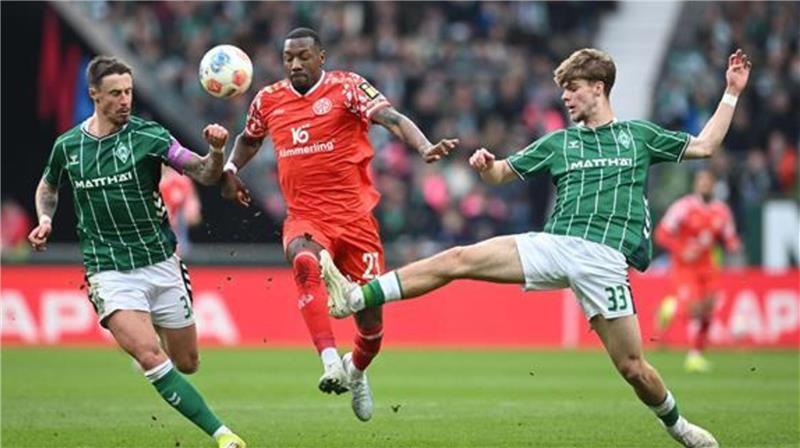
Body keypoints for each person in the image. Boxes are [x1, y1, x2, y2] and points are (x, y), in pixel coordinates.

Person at [324, 48, 751, 447]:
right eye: (562, 89)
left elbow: (706, 146)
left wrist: (731, 91)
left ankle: (679, 426)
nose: (564, 97)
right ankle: (357, 295)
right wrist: (486, 166)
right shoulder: (558, 142)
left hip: (605, 261)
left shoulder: (638, 136)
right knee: (459, 258)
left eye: (573, 88)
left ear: (598, 87)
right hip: (555, 244)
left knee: (633, 369)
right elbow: (501, 175)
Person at [220, 27, 457, 421]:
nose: (295, 63)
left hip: (355, 221)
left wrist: (424, 146)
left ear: (321, 57)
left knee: (372, 329)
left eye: (303, 56)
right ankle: (329, 361)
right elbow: (250, 138)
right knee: (303, 261)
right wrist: (229, 167)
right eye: (288, 58)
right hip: (306, 217)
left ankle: (357, 372)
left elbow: (391, 118)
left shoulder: (347, 88)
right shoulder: (268, 99)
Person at [27, 55, 246, 448]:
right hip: (107, 268)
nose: (125, 100)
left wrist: (215, 152)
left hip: (160, 261)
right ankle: (223, 435)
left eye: (128, 91)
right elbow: (48, 186)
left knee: (188, 363)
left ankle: (154, 335)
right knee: (148, 355)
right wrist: (44, 219)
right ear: (94, 95)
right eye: (115, 94)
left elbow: (202, 173)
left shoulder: (150, 136)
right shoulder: (68, 146)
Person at [655, 169, 741, 373]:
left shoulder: (721, 210)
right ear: (696, 184)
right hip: (684, 268)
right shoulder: (683, 207)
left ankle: (696, 354)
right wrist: (681, 249)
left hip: (708, 267)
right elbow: (661, 234)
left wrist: (733, 246)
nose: (704, 185)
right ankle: (673, 307)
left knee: (708, 310)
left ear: (714, 185)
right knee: (693, 308)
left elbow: (729, 237)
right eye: (701, 182)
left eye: (708, 182)